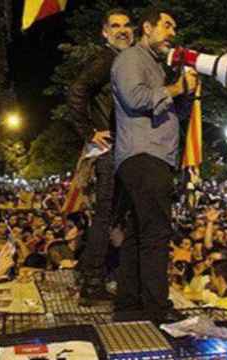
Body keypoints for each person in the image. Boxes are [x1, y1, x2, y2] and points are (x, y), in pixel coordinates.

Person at [110, 7, 197, 322]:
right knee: (157, 234)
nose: (172, 32)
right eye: (167, 25)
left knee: (137, 234)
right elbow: (135, 98)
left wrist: (187, 92)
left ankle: (129, 304)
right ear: (147, 27)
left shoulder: (157, 68)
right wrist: (175, 89)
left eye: (175, 27)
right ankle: (157, 310)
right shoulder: (131, 59)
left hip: (148, 158)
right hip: (146, 157)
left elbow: (173, 112)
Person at [67, 8, 134, 306]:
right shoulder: (106, 60)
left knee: (112, 216)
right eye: (115, 26)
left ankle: (89, 271)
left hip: (122, 149)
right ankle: (92, 282)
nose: (123, 30)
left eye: (127, 25)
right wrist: (90, 131)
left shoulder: (123, 61)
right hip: (110, 151)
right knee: (106, 217)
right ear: (105, 32)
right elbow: (77, 90)